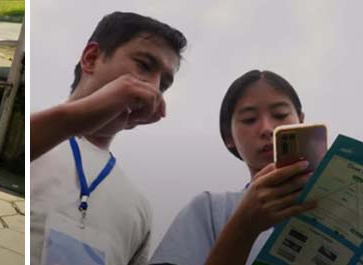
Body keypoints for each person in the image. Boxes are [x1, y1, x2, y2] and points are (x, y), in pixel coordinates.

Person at [29, 12, 186, 264]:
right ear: (91, 58)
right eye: (144, 65)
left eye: (164, 84)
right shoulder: (36, 136)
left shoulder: (139, 208)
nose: (153, 88)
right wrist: (78, 116)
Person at [150, 70, 317, 265]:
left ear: (301, 121)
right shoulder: (210, 210)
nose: (267, 129)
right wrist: (244, 225)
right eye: (249, 119)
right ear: (229, 136)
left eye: (280, 115)